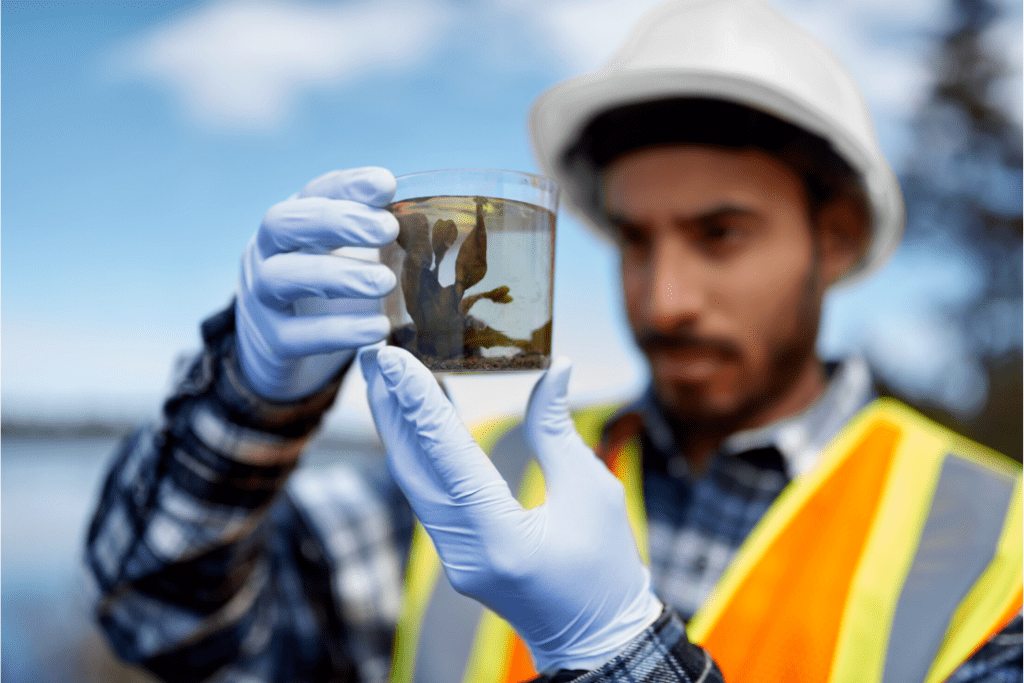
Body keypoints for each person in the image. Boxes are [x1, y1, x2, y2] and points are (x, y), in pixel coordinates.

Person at [84, 0, 1023, 681]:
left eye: (721, 234)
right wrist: (249, 401)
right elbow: (164, 620)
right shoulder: (469, 493)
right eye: (636, 239)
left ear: (837, 238)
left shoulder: (999, 553)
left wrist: (612, 651)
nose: (666, 298)